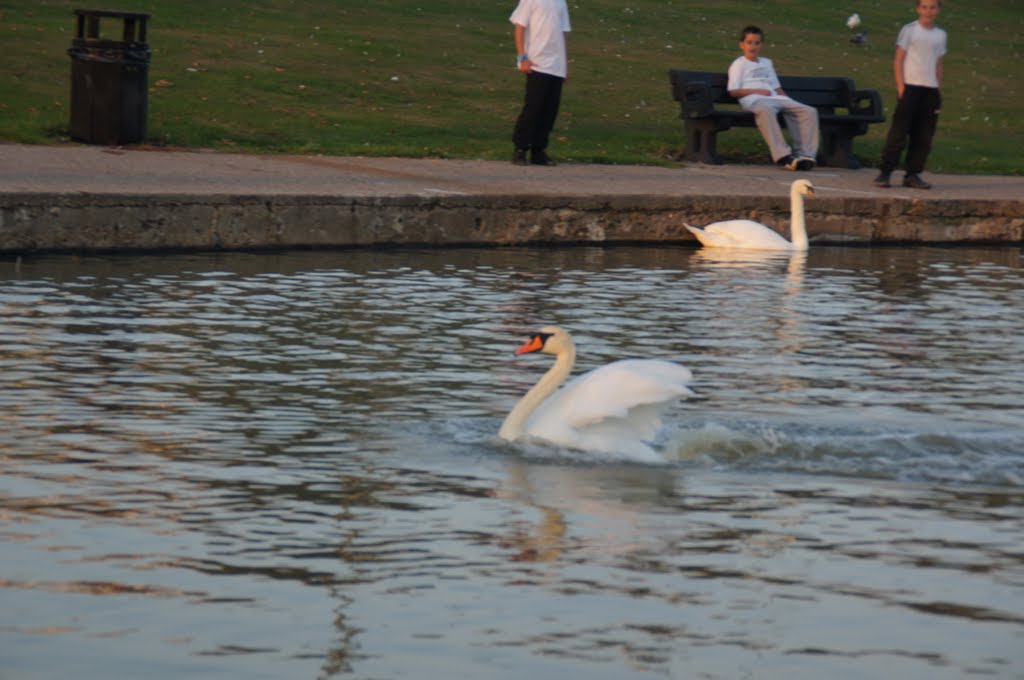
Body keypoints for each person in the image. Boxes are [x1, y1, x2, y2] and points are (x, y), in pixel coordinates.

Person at [874, 0, 947, 190]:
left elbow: (939, 63)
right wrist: (901, 88)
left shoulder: (941, 35)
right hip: (911, 88)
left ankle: (913, 174)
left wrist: (936, 87)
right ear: (918, 9)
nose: (928, 11)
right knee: (899, 132)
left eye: (932, 7)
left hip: (929, 90)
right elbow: (899, 60)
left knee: (923, 135)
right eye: (924, 7)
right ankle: (885, 172)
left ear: (938, 10)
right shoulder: (910, 30)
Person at [727, 25, 819, 171]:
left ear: (761, 45)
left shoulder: (766, 63)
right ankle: (783, 156)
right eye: (749, 42)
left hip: (776, 98)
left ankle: (805, 156)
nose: (753, 46)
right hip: (755, 99)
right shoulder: (739, 64)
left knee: (808, 111)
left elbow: (776, 88)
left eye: (757, 43)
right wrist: (757, 91)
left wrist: (789, 101)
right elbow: (733, 91)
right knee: (766, 110)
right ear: (742, 44)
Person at [510, 0, 571, 166]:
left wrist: (565, 64)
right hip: (537, 62)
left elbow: (563, 32)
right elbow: (520, 27)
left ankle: (539, 151)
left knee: (550, 110)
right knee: (533, 107)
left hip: (556, 65)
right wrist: (522, 56)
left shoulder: (561, 2)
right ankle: (520, 149)